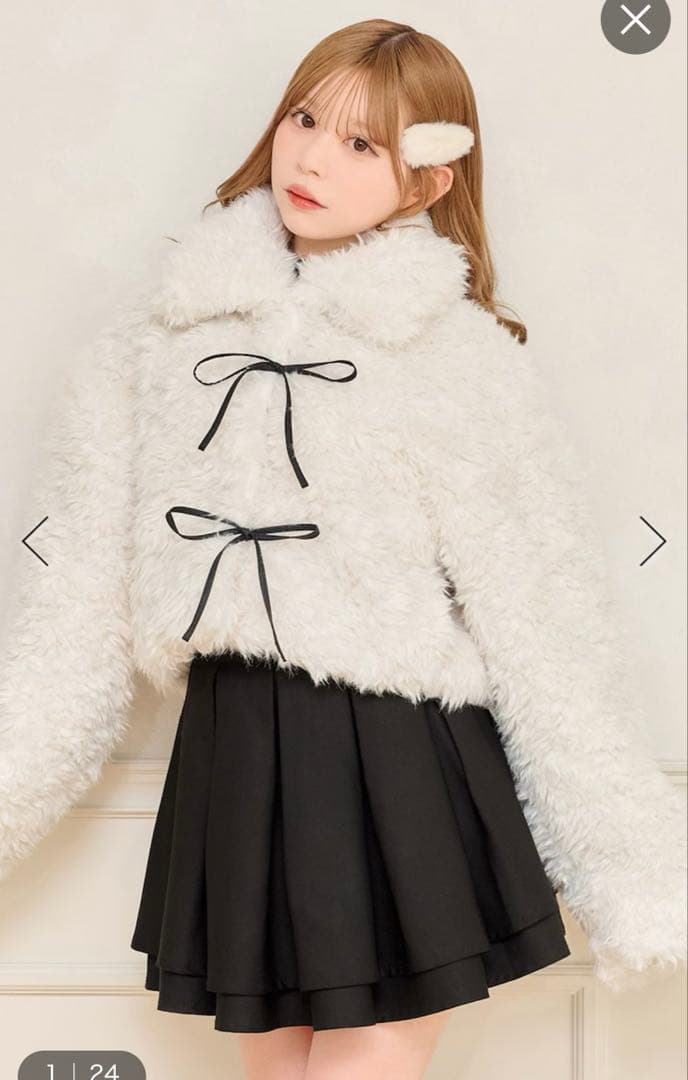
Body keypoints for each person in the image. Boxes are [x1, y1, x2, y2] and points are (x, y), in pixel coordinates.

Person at [0, 17, 685, 1080]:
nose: (313, 158)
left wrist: (629, 866)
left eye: (363, 143)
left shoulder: (455, 355)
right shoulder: (158, 337)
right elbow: (71, 616)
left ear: (428, 178)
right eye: (304, 119)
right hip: (235, 754)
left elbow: (543, 611)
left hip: (400, 756)